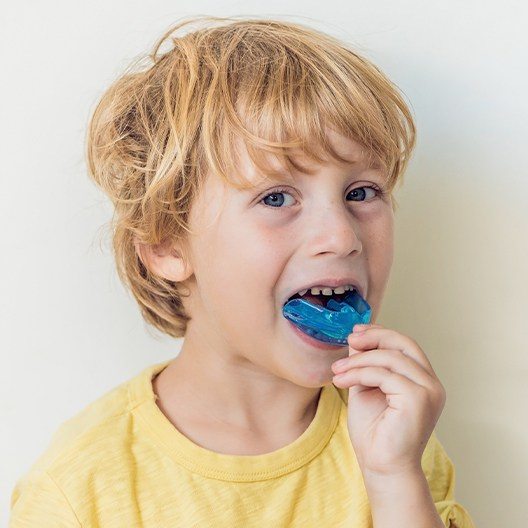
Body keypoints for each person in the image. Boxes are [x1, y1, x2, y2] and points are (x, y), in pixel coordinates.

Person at [9, 15, 476, 528]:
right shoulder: (81, 490)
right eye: (276, 198)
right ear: (166, 245)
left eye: (360, 193)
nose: (343, 237)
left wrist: (393, 479)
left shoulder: (395, 441)